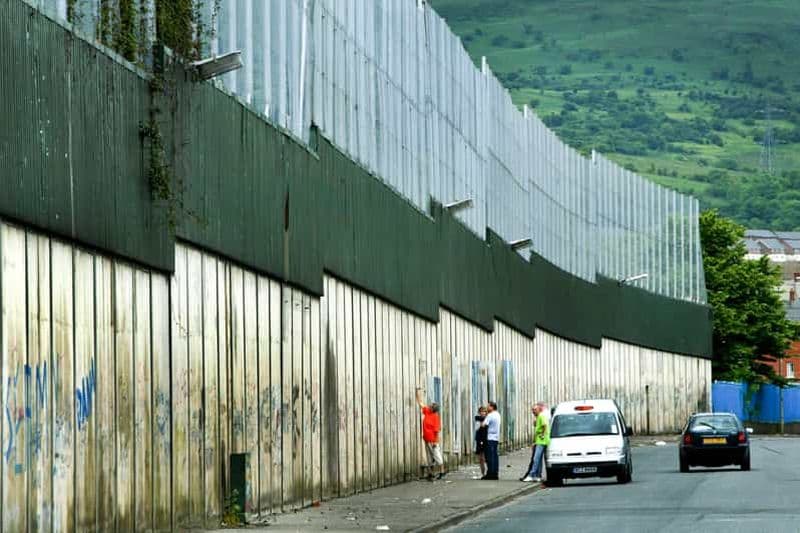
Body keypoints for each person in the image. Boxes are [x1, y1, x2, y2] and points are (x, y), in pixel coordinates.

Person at [416, 388, 445, 481]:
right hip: (426, 439)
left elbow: (437, 431)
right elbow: (421, 403)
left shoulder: (435, 417)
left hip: (433, 440)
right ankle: (431, 474)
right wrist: (418, 394)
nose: (429, 406)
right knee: (430, 456)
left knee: (437, 455)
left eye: (431, 406)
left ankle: (442, 472)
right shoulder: (427, 412)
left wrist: (436, 442)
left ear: (433, 409)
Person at [523, 401, 550, 482]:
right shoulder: (539, 416)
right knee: (540, 459)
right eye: (532, 410)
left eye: (534, 409)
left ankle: (532, 475)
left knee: (536, 459)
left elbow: (544, 425)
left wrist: (542, 434)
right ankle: (538, 476)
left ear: (539, 409)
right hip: (542, 440)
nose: (533, 411)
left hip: (542, 440)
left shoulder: (541, 416)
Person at [481, 401, 501, 480]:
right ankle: (495, 473)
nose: (487, 407)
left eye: (488, 406)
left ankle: (490, 474)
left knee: (490, 457)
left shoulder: (490, 415)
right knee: (495, 456)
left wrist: (483, 418)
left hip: (490, 438)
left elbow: (483, 425)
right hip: (496, 437)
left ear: (492, 407)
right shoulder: (498, 414)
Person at [474, 406, 488, 476]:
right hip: (479, 439)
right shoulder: (478, 419)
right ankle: (483, 473)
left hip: (486, 440)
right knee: (481, 458)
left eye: (484, 411)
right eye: (482, 411)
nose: (483, 413)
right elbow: (477, 428)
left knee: (486, 457)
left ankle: (487, 472)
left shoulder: (487, 419)